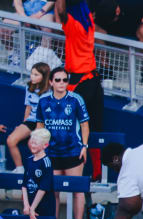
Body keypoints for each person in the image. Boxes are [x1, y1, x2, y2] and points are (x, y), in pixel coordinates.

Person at [37, 66, 90, 219]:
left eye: (65, 80)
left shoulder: (76, 99)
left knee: (77, 189)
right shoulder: (43, 101)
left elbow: (84, 125)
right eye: (58, 80)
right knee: (53, 191)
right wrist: (40, 148)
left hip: (72, 150)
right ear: (51, 82)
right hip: (51, 153)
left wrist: (84, 146)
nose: (61, 83)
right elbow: (39, 126)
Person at [55, 0, 105, 134]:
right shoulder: (88, 20)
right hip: (94, 79)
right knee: (95, 126)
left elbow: (60, 11)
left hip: (80, 81)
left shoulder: (72, 23)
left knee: (69, 125)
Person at [6, 64, 51, 171]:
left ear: (44, 76)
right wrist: (23, 125)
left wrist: (39, 129)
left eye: (36, 75)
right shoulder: (29, 86)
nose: (32, 77)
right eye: (32, 74)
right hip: (31, 120)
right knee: (10, 140)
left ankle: (39, 170)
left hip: (43, 122)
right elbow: (28, 108)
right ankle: (20, 168)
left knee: (32, 144)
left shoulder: (50, 90)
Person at [21, 128, 57, 219]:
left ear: (45, 145)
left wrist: (33, 208)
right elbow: (24, 185)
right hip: (30, 207)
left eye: (36, 143)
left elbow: (43, 188)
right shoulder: (28, 160)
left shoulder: (46, 163)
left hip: (44, 208)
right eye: (31, 142)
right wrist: (27, 206)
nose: (32, 145)